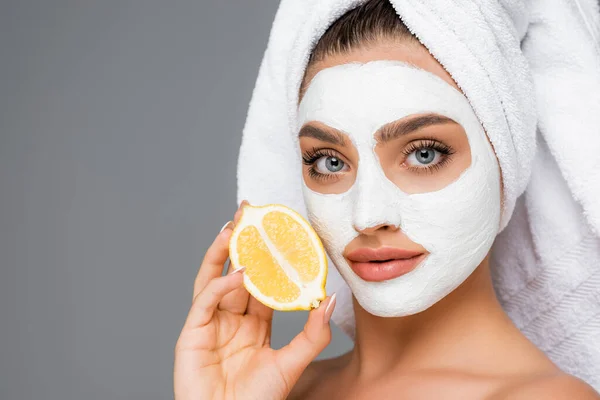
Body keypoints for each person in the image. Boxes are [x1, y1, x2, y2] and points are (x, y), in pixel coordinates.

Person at [174, 1, 600, 399]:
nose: (368, 216)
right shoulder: (271, 389)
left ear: (507, 156)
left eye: (424, 153)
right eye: (328, 162)